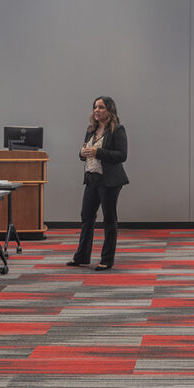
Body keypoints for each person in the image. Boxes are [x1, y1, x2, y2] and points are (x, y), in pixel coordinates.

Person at [68, 96, 128, 270]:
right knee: (86, 217)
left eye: (101, 107)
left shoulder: (117, 130)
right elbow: (84, 153)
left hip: (109, 180)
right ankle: (81, 256)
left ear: (109, 110)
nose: (96, 110)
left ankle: (106, 259)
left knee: (109, 219)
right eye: (95, 107)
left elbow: (122, 155)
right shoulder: (91, 130)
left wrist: (97, 151)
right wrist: (82, 152)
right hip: (91, 178)